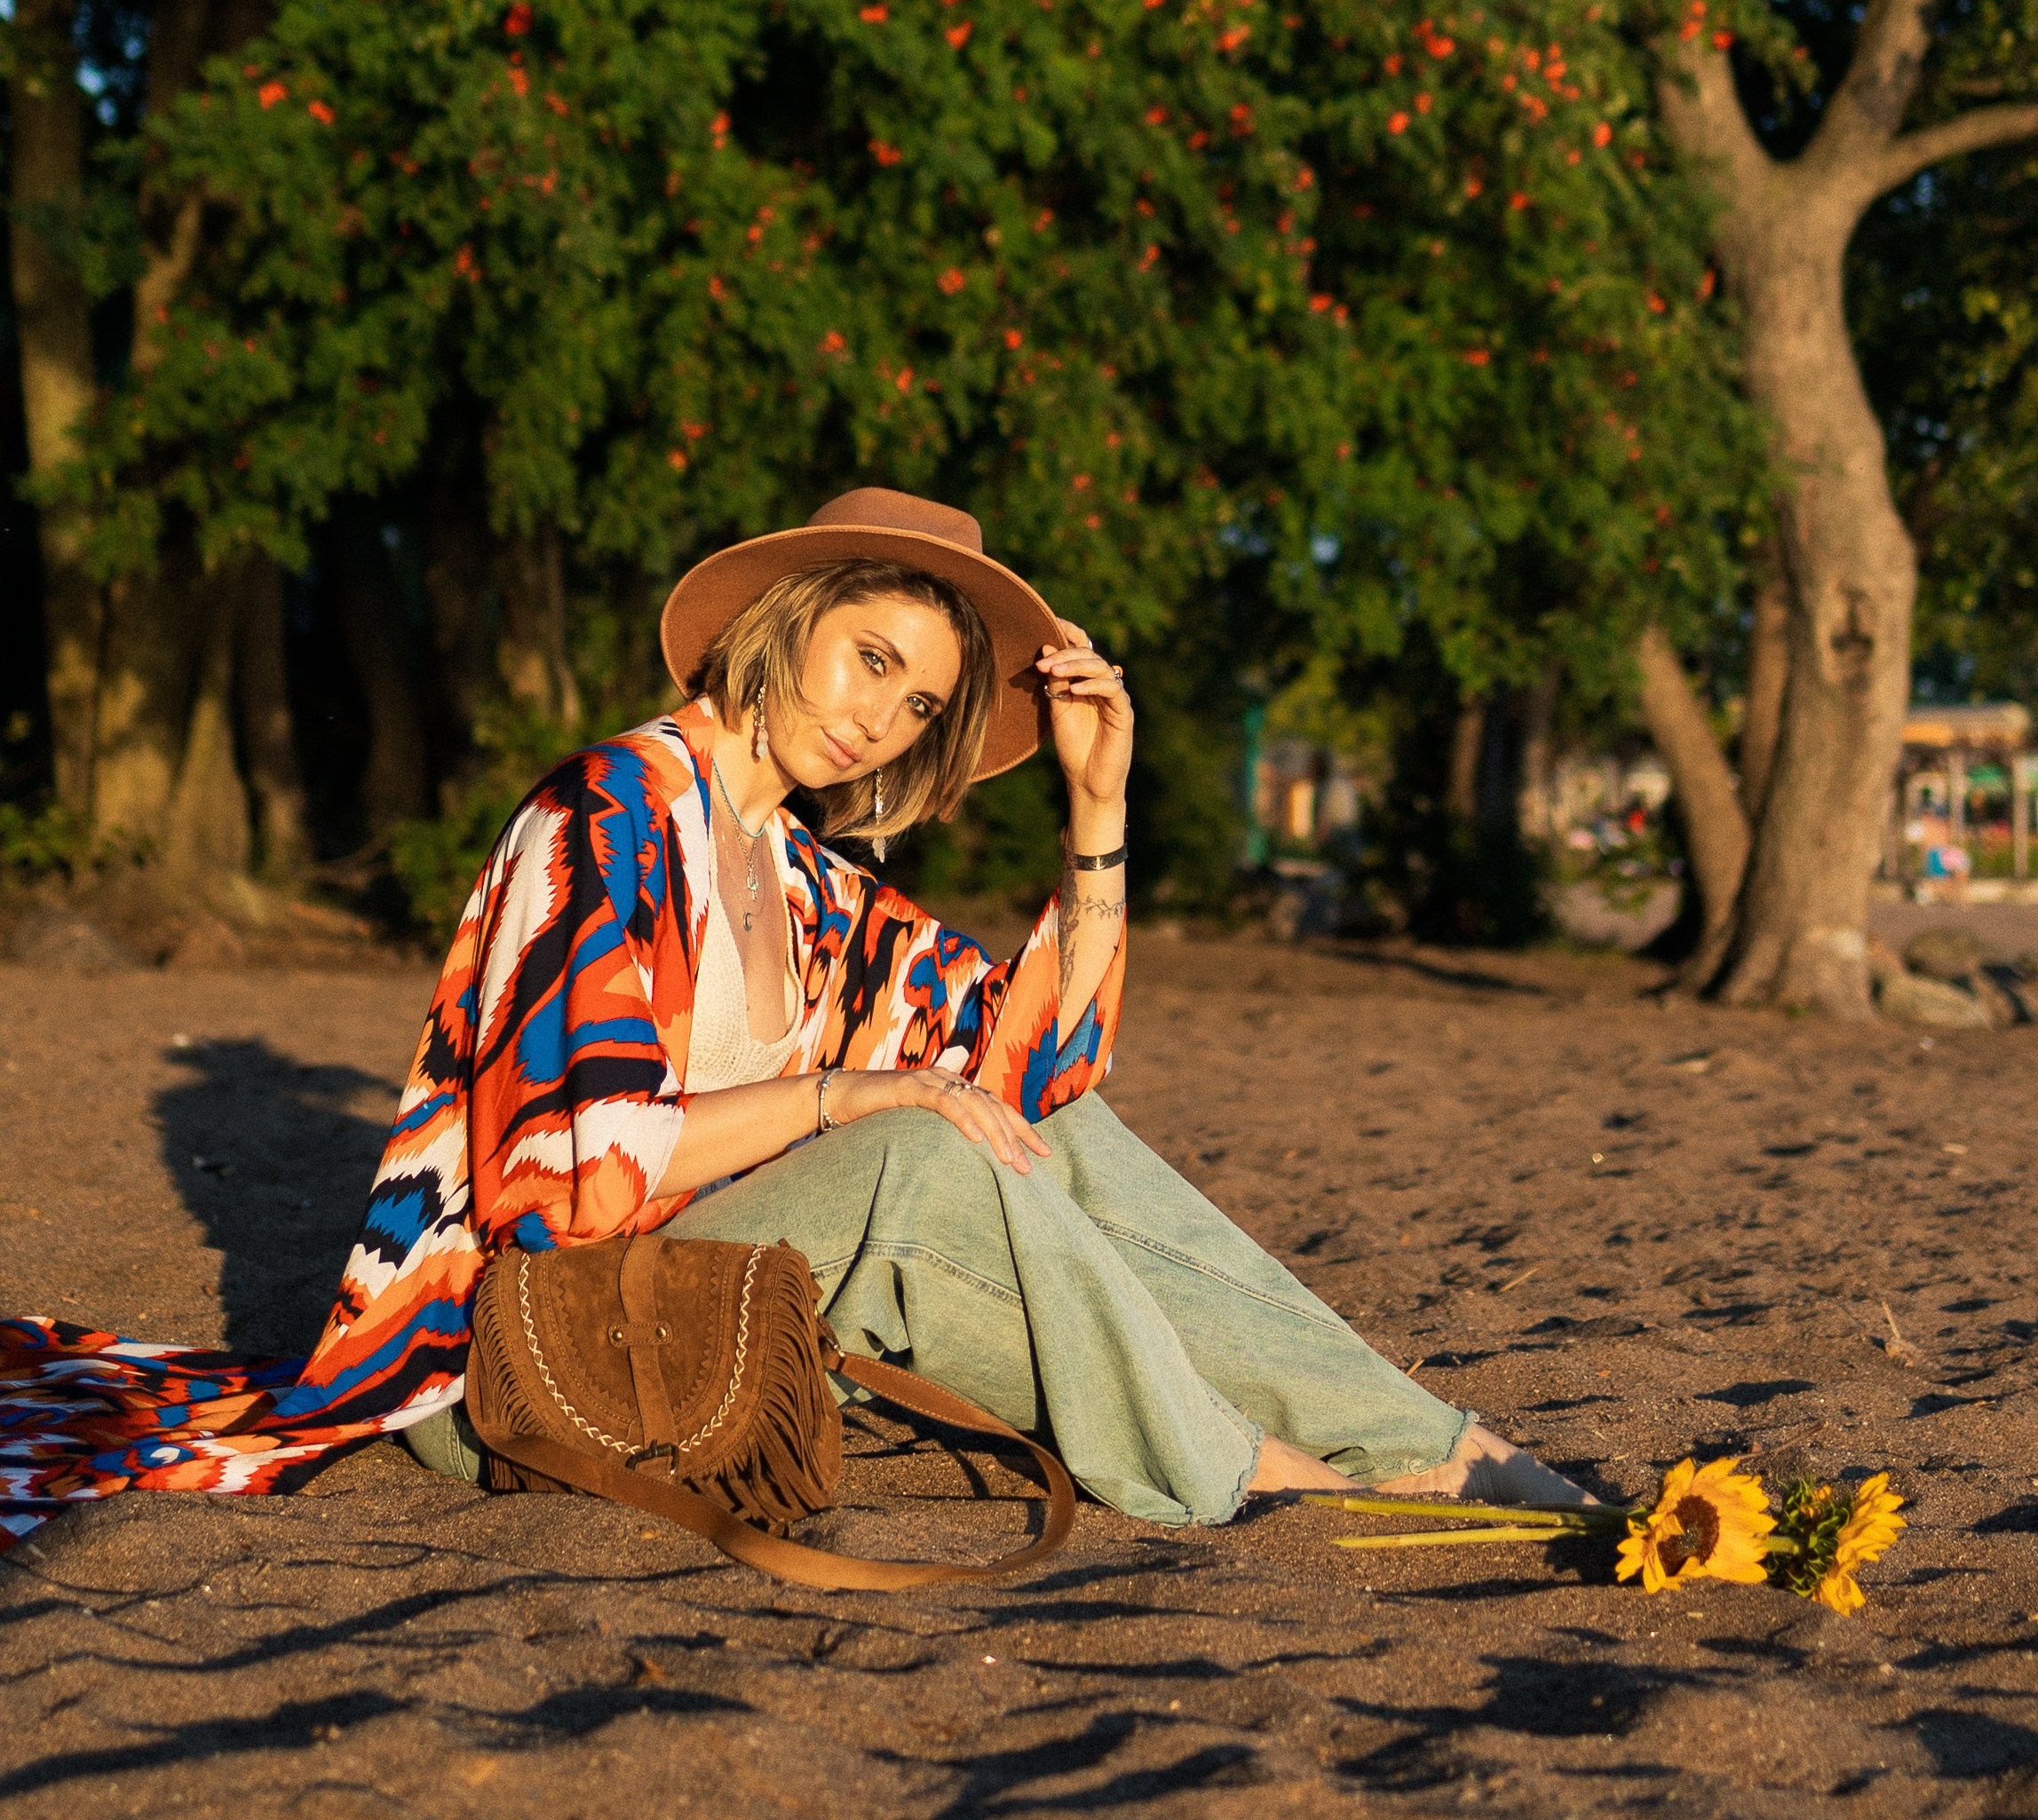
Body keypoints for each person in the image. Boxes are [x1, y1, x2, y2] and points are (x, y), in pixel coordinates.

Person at [0, 487, 1590, 1542]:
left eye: (918, 700)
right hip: (531, 1353)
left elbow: (1044, 1072)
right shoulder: (612, 817)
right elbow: (571, 1177)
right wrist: (856, 1099)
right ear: (791, 618)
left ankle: (1430, 1445)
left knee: (1038, 1136)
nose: (879, 715)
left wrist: (1099, 814)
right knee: (922, 1154)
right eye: (869, 657)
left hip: (710, 1317)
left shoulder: (808, 883)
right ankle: (1249, 1471)